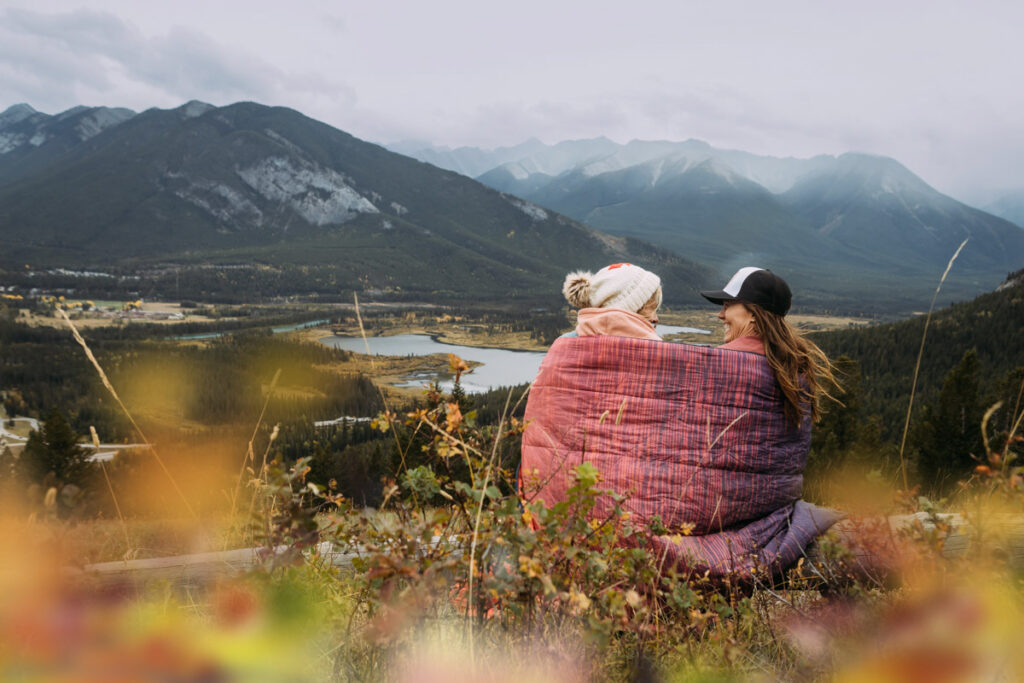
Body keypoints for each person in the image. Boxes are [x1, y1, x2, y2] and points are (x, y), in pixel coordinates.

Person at [700, 266, 840, 429]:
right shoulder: (793, 367)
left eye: (727, 306)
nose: (721, 315)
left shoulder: (718, 363)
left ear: (753, 313)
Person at [562, 263, 662, 340]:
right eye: (652, 308)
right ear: (629, 309)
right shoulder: (655, 352)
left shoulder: (564, 343)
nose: (655, 318)